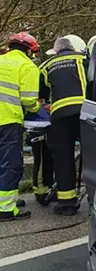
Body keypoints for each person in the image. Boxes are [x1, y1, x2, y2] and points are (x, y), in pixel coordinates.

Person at [38, 37, 89, 215]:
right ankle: (94, 199)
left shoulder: (46, 66)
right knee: (90, 156)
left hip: (59, 116)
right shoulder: (83, 59)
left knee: (63, 158)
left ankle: (66, 203)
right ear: (72, 48)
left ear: (56, 51)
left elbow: (41, 95)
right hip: (85, 113)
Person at [0, 32, 41, 221]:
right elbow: (28, 100)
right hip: (8, 121)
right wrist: (39, 108)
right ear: (29, 50)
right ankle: (6, 208)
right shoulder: (27, 66)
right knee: (10, 164)